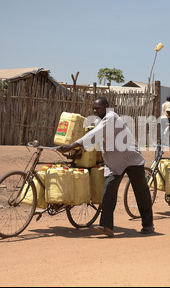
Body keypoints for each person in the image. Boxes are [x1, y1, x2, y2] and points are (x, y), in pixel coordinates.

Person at [57, 97, 154, 236]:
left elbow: (94, 134)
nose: (95, 111)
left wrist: (72, 145)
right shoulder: (99, 121)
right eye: (94, 109)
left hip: (131, 158)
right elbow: (94, 136)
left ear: (106, 107)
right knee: (108, 191)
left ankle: (148, 225)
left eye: (98, 108)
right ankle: (106, 226)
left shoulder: (111, 117)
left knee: (141, 192)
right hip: (115, 162)